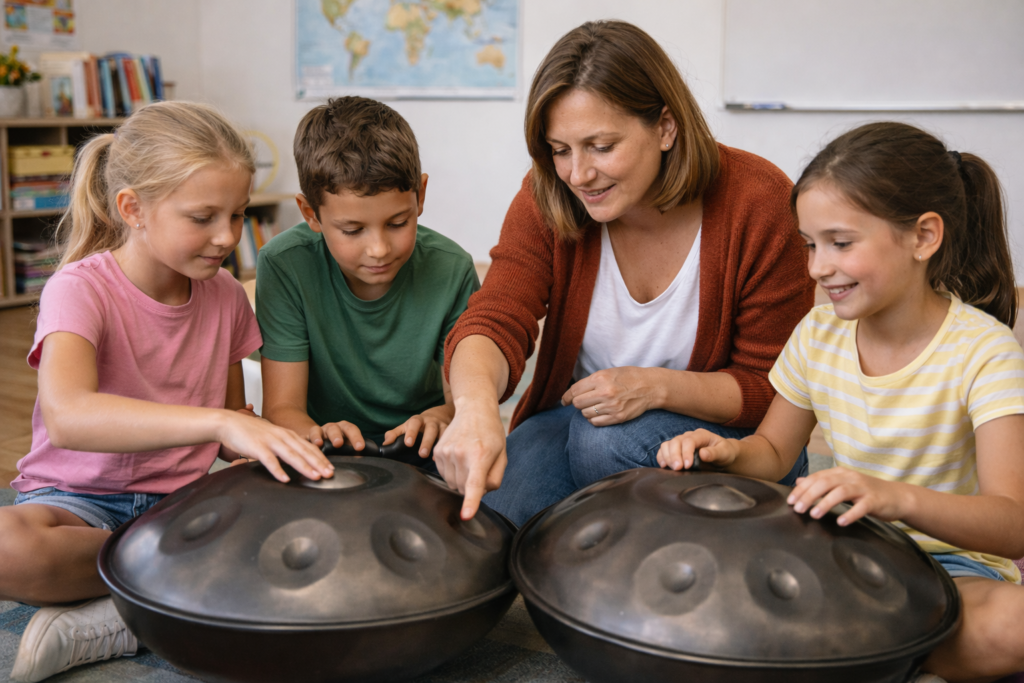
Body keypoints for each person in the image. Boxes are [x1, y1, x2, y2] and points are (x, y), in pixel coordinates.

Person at [658, 121, 1024, 682]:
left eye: (841, 243)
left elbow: (1012, 523)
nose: (817, 267)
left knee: (1013, 625)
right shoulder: (817, 333)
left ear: (924, 237)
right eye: (810, 244)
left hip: (956, 569)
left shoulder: (985, 351)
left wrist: (895, 498)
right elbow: (773, 453)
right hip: (846, 555)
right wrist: (726, 454)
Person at [1, 101, 335, 683]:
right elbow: (69, 417)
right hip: (78, 504)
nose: (227, 236)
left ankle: (122, 613)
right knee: (8, 546)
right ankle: (171, 587)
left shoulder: (226, 295)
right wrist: (220, 424)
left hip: (181, 506)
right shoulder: (78, 289)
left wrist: (274, 441)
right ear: (133, 209)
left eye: (237, 214)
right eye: (203, 217)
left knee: (312, 533)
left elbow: (230, 425)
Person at [434, 20, 814, 523]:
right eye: (560, 150)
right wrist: (475, 407)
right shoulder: (548, 193)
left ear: (665, 127)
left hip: (735, 434)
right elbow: (496, 316)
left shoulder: (760, 202)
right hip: (585, 419)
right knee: (497, 506)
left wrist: (656, 387)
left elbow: (775, 388)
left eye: (601, 146)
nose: (578, 175)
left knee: (604, 448)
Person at [257, 97, 479, 463]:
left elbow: (463, 402)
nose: (379, 249)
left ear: (421, 195)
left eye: (398, 223)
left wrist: (442, 417)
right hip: (325, 453)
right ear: (310, 214)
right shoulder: (284, 264)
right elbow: (282, 409)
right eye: (352, 230)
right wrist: (316, 433)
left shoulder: (453, 269)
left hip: (426, 452)